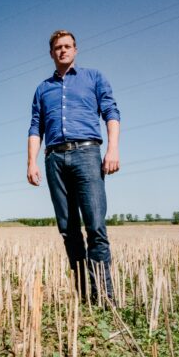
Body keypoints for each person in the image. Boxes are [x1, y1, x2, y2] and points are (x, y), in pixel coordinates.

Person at [27, 30, 120, 303]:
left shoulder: (94, 78)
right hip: (54, 158)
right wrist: (31, 162)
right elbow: (35, 127)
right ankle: (83, 296)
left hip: (87, 154)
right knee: (68, 230)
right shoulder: (43, 89)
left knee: (95, 228)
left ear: (75, 50)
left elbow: (111, 113)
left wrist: (112, 148)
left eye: (67, 46)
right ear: (51, 53)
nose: (63, 51)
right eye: (58, 47)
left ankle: (104, 298)